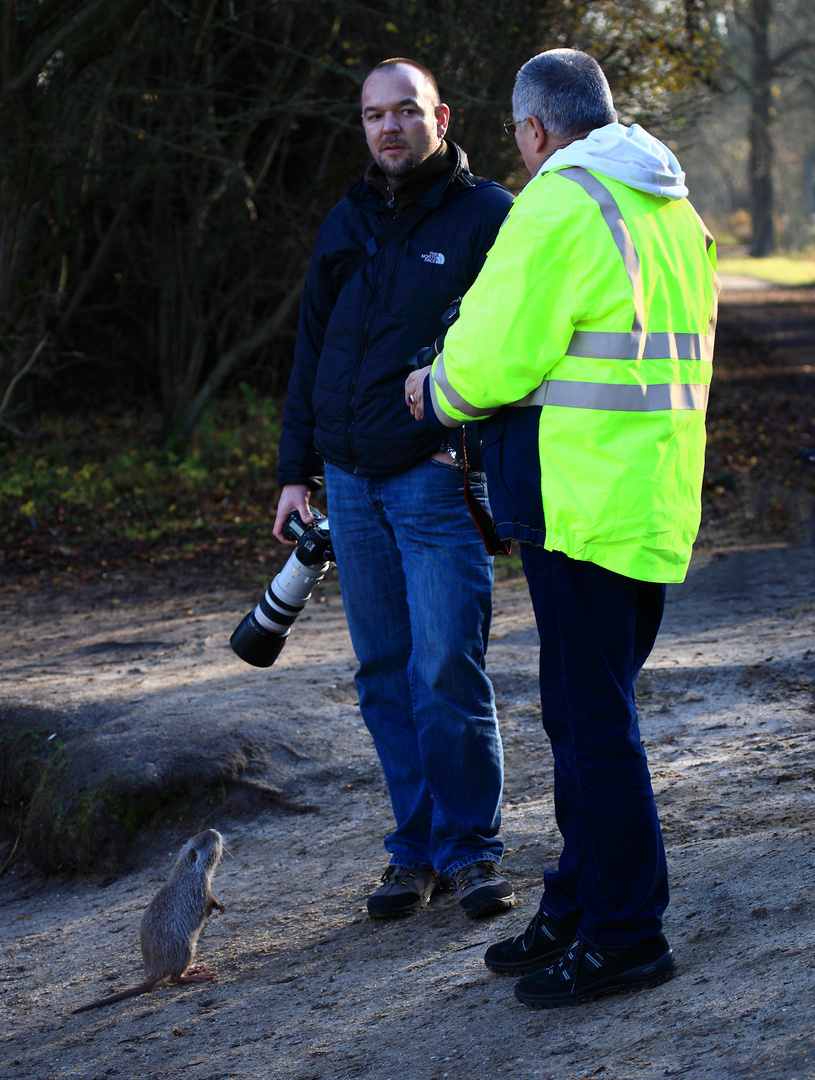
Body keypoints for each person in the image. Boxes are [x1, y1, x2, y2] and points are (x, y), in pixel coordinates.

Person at [406, 48, 718, 1004]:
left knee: (593, 724)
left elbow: (494, 353)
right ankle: (577, 903)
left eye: (519, 135)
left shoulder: (557, 201)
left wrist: (436, 390)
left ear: (535, 129)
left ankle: (627, 932)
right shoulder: (668, 203)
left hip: (578, 501)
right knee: (581, 712)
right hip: (648, 494)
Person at [274, 58, 516, 920]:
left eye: (404, 112)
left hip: (432, 481)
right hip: (347, 483)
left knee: (446, 667)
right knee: (383, 673)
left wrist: (474, 443)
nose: (388, 129)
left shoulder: (490, 215)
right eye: (374, 116)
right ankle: (413, 851)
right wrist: (292, 472)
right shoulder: (345, 218)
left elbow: (518, 347)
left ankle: (472, 853)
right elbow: (311, 351)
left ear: (439, 117)